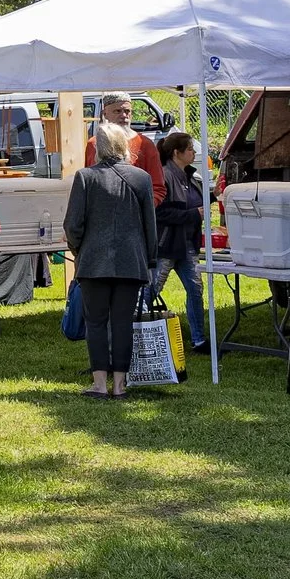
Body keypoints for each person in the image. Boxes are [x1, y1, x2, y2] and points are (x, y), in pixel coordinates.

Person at [66, 120, 161, 399]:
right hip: (131, 261)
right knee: (122, 323)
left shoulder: (85, 177)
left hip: (94, 261)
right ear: (124, 147)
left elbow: (73, 224)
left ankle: (99, 383)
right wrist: (150, 260)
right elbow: (149, 226)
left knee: (95, 322)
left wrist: (78, 251)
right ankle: (120, 384)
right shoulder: (142, 178)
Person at [148, 131, 209, 353]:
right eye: (190, 149)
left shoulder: (191, 177)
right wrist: (195, 214)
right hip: (167, 245)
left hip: (187, 245)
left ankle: (199, 340)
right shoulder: (164, 176)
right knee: (152, 288)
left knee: (195, 289)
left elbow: (192, 204)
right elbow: (160, 213)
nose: (194, 152)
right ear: (177, 153)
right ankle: (134, 329)